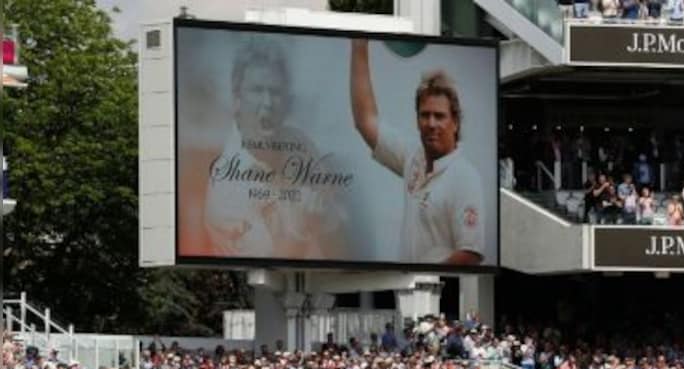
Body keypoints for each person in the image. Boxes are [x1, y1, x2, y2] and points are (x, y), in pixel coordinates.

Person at [203, 40, 345, 260]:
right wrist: (303, 228)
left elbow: (338, 241)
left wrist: (327, 219)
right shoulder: (226, 191)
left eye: (276, 91)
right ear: (237, 98)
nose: (268, 102)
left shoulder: (300, 143)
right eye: (257, 90)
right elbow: (270, 268)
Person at [350, 39, 485, 266]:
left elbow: (470, 254)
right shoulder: (414, 156)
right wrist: (358, 46)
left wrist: (425, 281)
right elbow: (365, 121)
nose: (431, 123)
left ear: (456, 122)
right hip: (410, 293)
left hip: (439, 295)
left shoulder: (464, 177)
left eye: (440, 116)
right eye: (425, 114)